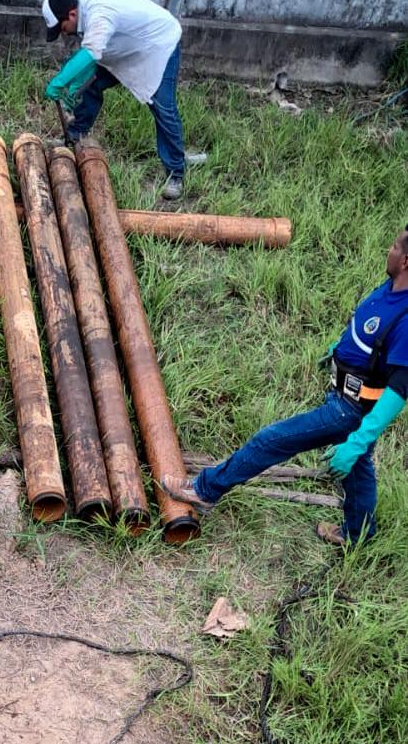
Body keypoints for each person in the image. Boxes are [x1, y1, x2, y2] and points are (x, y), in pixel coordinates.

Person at [162, 227, 408, 547]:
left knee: (272, 439)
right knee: (358, 470)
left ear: (406, 261)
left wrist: (359, 439)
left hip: (350, 410)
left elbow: (400, 389)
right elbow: (370, 331)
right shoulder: (391, 287)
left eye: (394, 246)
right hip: (345, 395)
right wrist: (340, 351)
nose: (388, 250)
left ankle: (205, 490)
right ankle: (358, 533)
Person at [42, 0, 193, 200]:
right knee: (90, 84)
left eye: (62, 28)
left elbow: (90, 53)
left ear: (72, 14)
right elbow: (91, 52)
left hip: (157, 44)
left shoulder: (99, 13)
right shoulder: (82, 11)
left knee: (162, 107)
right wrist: (76, 83)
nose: (64, 33)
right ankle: (75, 135)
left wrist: (59, 81)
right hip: (125, 46)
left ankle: (175, 172)